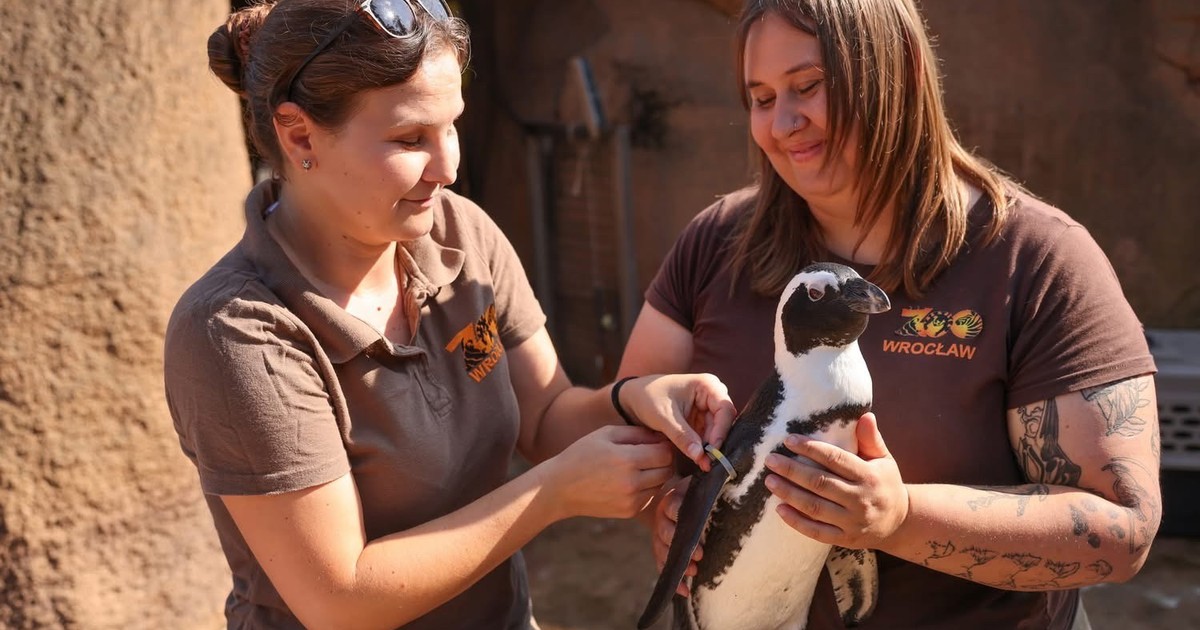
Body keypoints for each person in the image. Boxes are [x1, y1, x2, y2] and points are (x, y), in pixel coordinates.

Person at [163, 1, 736, 628]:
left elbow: (546, 418)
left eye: (452, 126)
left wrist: (636, 402)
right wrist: (551, 494)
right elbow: (339, 597)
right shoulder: (237, 331)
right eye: (410, 139)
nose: (449, 167)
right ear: (300, 135)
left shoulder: (460, 234)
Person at [623, 1, 1161, 628]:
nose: (784, 122)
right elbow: (620, 425)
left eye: (809, 86)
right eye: (761, 98)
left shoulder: (1034, 261)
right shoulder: (717, 243)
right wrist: (666, 503)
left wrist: (898, 519)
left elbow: (1122, 528)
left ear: (898, 70)